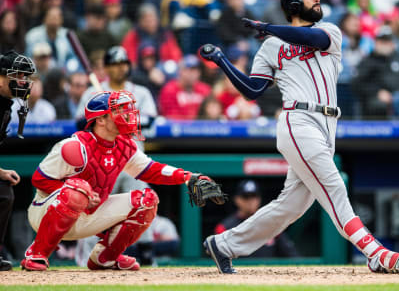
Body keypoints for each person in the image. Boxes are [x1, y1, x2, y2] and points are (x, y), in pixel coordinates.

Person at [198, 0, 399, 274]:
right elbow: (253, 90)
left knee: (292, 206)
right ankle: (375, 252)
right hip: (298, 120)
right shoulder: (271, 47)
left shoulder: (329, 32)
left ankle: (224, 245)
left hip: (328, 124)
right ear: (294, 4)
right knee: (335, 187)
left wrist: (268, 27)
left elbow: (311, 41)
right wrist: (223, 62)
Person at [21, 89, 224, 271]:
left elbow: (151, 170)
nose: (128, 115)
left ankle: (105, 257)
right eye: (119, 111)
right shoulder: (74, 147)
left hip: (89, 214)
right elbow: (39, 180)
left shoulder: (124, 146)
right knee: (78, 189)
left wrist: (187, 177)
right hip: (47, 213)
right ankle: (37, 253)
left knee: (147, 200)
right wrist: (79, 192)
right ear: (101, 119)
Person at [0, 50, 36, 271]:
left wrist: (1, 171)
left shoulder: (6, 105)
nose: (22, 82)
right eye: (17, 76)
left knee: (4, 191)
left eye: (25, 77)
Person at [215, 180, 298, 257]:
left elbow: (291, 254)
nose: (250, 201)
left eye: (254, 196)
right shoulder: (224, 227)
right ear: (237, 199)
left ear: (259, 199)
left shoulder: (270, 223)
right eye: (246, 197)